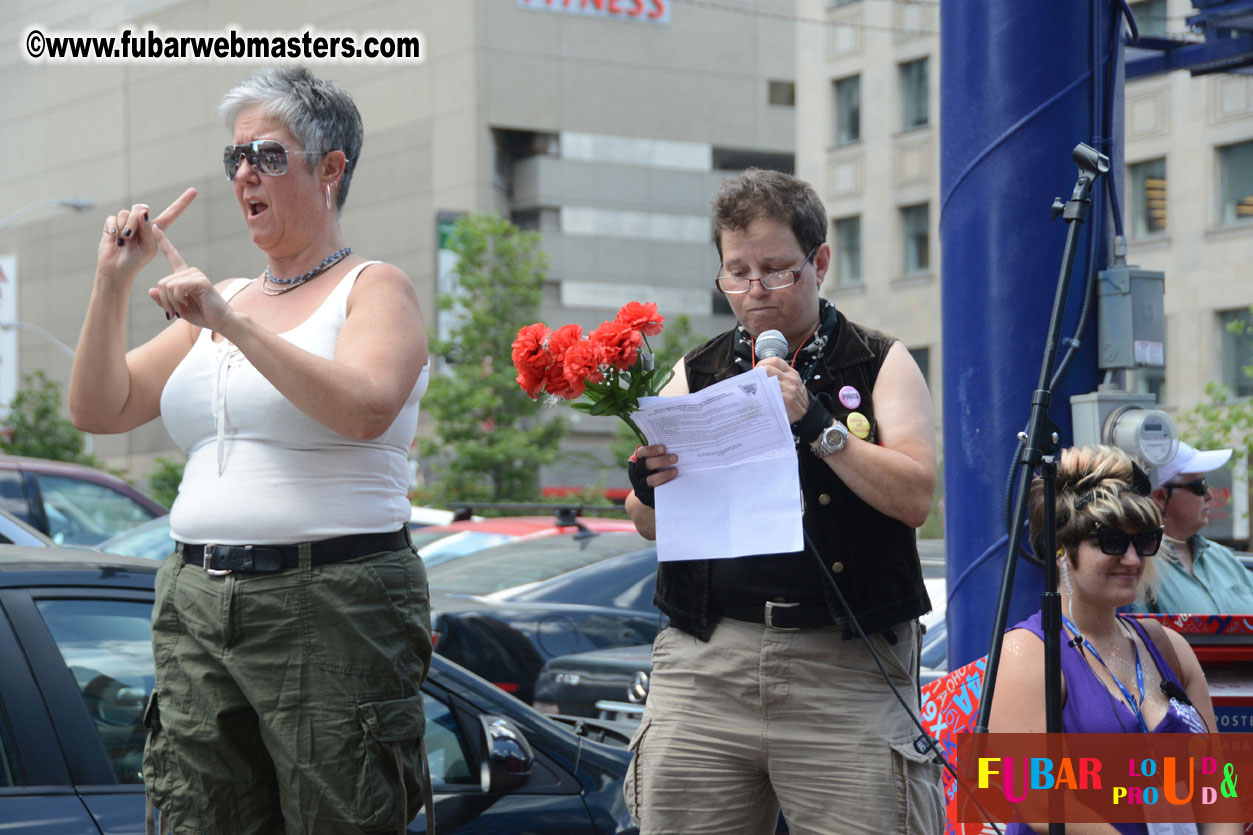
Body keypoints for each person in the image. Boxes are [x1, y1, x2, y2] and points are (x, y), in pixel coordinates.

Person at [69, 66, 432, 835]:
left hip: (331, 595)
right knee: (202, 816)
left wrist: (229, 324)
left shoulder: (372, 286)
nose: (244, 174)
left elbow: (365, 408)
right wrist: (113, 282)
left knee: (342, 814)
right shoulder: (226, 294)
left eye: (267, 155)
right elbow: (100, 408)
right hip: (196, 593)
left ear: (330, 168)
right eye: (235, 157)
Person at [623, 169, 942, 835]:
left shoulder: (878, 361)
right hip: (708, 660)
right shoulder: (699, 369)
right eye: (736, 273)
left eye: (774, 270)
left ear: (819, 262)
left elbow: (915, 495)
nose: (755, 291)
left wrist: (819, 425)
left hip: (844, 666)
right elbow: (648, 523)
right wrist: (647, 487)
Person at [988, 445, 1237, 835]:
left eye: (1144, 541)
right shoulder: (1028, 653)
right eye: (1112, 542)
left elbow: (1218, 787)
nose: (1133, 559)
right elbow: (1035, 797)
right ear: (1061, 549)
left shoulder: (1170, 648)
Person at [1134, 441, 1253, 614]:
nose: (1209, 495)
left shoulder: (1223, 558)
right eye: (1199, 487)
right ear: (1159, 496)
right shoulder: (1139, 567)